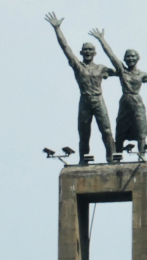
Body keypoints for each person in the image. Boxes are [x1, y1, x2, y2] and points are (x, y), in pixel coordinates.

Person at [45, 12, 117, 164]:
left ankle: (112, 159)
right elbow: (65, 48)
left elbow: (121, 71)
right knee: (84, 134)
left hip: (98, 101)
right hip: (84, 101)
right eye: (85, 50)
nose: (88, 52)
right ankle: (83, 161)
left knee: (107, 131)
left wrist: (103, 41)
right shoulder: (78, 66)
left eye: (91, 50)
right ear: (81, 53)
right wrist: (57, 29)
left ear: (95, 53)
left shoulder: (101, 69)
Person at [89, 28, 147, 155]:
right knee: (120, 130)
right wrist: (101, 39)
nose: (130, 58)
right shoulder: (122, 71)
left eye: (133, 56)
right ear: (125, 59)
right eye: (128, 56)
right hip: (125, 102)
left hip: (137, 103)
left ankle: (142, 155)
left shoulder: (142, 74)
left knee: (141, 130)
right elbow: (111, 55)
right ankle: (118, 156)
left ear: (137, 58)